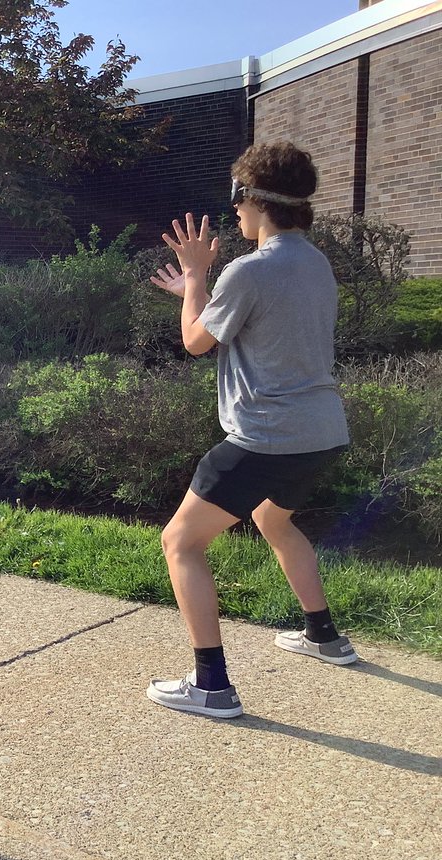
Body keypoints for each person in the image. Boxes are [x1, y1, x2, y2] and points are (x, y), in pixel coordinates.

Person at [145, 141, 354, 719]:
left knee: (181, 543)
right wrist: (195, 292)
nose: (234, 212)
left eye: (237, 199)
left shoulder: (249, 270)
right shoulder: (313, 262)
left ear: (255, 199)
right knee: (271, 519)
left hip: (265, 435)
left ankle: (211, 685)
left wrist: (194, 277)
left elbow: (195, 342)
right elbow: (249, 320)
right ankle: (323, 636)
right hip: (322, 432)